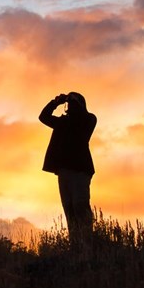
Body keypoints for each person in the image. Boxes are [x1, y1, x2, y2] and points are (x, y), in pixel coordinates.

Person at [39, 92, 97, 239]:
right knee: (69, 209)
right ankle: (76, 245)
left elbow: (82, 120)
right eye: (69, 102)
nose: (70, 104)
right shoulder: (62, 122)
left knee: (80, 206)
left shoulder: (89, 119)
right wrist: (56, 102)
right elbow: (43, 117)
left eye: (73, 102)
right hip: (64, 171)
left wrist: (73, 99)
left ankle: (87, 242)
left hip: (80, 171)